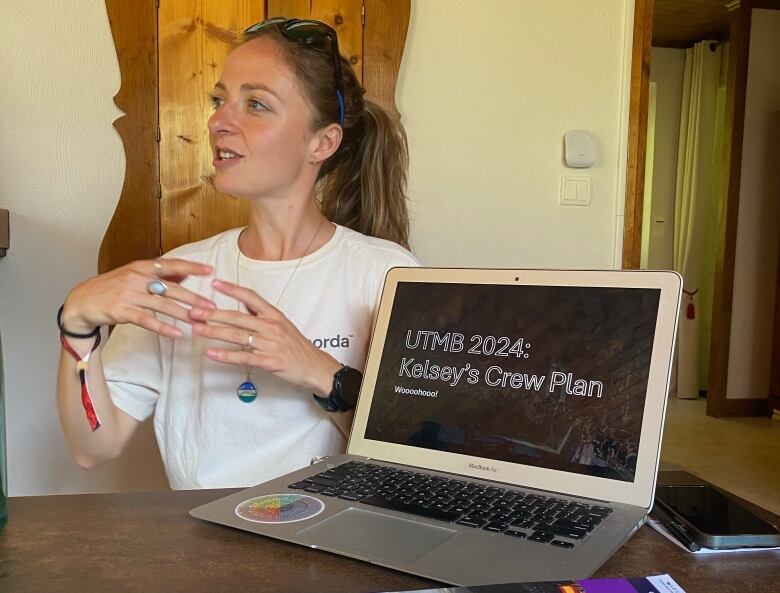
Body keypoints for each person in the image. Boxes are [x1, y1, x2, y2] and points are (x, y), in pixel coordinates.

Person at [56, 18, 419, 489]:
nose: (218, 122)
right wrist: (78, 327)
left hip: (334, 549)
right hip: (205, 551)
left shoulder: (387, 273)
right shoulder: (179, 278)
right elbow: (92, 446)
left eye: (256, 104)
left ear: (322, 142)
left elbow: (417, 463)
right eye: (219, 99)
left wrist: (321, 373)